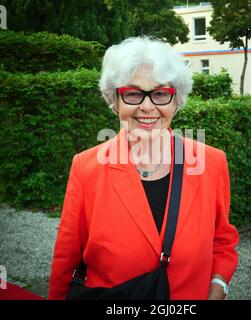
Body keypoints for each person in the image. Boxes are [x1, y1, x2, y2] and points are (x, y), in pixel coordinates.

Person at [48, 37, 239, 300]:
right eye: (133, 93)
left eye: (160, 93)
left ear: (176, 101)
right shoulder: (86, 168)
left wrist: (219, 285)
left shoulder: (211, 163)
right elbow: (65, 260)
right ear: (115, 100)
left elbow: (223, 241)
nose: (147, 106)